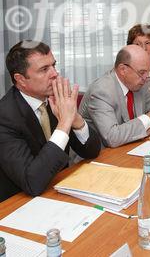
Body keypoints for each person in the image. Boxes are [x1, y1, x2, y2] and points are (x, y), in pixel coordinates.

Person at [0, 41, 101, 202]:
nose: (54, 74)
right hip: (19, 204)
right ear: (21, 80)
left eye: (53, 65)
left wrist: (75, 119)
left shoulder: (54, 99)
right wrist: (63, 125)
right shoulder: (5, 116)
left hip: (60, 189)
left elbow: (92, 151)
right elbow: (32, 182)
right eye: (44, 69)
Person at [79, 45, 150, 148]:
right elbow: (112, 137)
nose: (146, 78)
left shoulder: (140, 83)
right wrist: (146, 120)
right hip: (98, 157)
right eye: (142, 72)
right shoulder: (101, 91)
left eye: (148, 71)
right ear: (122, 70)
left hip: (130, 146)